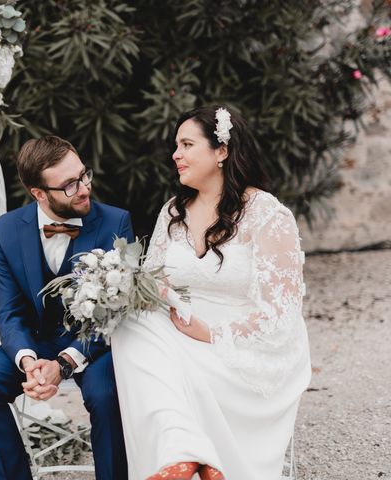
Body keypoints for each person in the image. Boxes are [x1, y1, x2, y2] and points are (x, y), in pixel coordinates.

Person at [111, 105, 311, 480]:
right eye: (176, 146)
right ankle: (183, 455)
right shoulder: (172, 211)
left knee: (157, 356)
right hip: (179, 328)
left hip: (244, 341)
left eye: (187, 144)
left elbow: (282, 312)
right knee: (131, 324)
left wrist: (212, 333)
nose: (176, 154)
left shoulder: (267, 214)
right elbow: (151, 285)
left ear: (221, 151)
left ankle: (190, 456)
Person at [0, 135, 132, 480]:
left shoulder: (115, 223)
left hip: (95, 347)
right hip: (36, 343)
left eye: (84, 175)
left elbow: (117, 311)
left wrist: (64, 364)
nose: (84, 189)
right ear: (39, 194)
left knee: (106, 394)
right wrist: (28, 361)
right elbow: (9, 311)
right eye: (69, 185)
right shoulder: (7, 229)